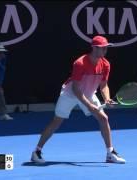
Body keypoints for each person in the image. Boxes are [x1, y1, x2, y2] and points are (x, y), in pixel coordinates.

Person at [30, 35, 126, 164]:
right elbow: (76, 88)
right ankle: (36, 152)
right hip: (71, 93)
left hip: (89, 93)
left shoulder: (106, 64)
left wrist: (107, 98)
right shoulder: (80, 63)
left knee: (104, 118)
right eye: (102, 48)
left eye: (106, 48)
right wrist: (88, 105)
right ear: (94, 48)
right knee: (57, 121)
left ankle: (110, 153)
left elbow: (103, 85)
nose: (105, 51)